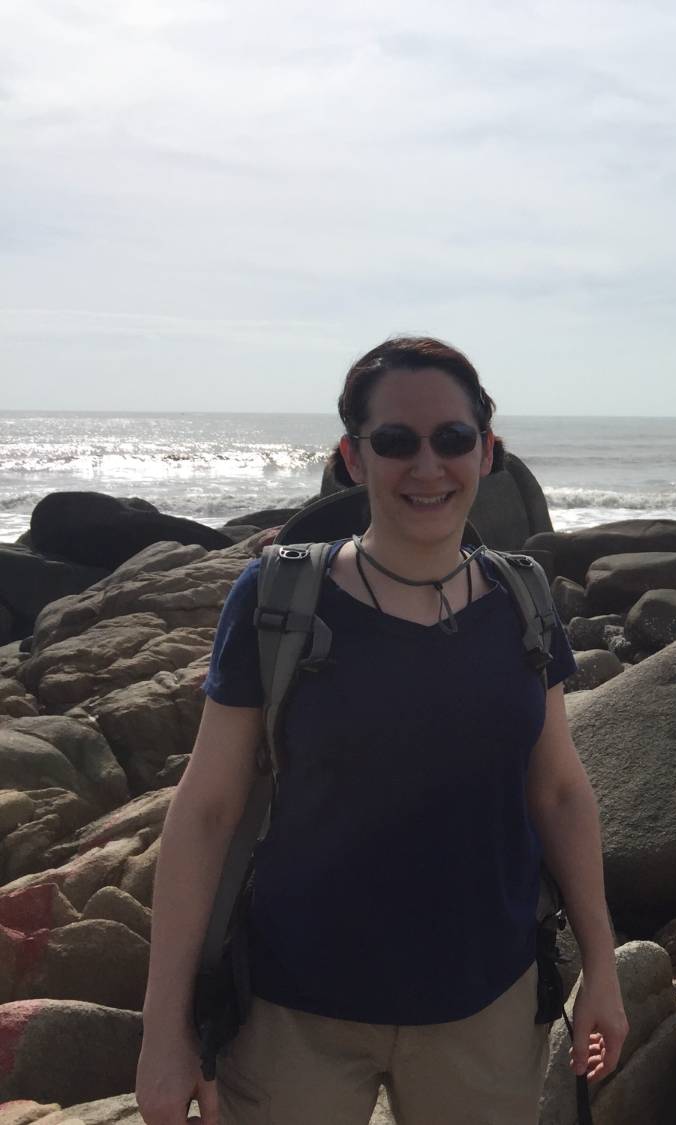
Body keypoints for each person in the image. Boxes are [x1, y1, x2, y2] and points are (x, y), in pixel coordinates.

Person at [136, 337, 627, 1124]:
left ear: (486, 450)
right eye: (395, 441)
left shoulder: (524, 601)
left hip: (487, 1009)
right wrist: (164, 1031)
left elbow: (561, 790)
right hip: (293, 1014)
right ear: (353, 458)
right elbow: (206, 812)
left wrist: (602, 966)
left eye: (453, 439)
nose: (427, 466)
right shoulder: (277, 598)